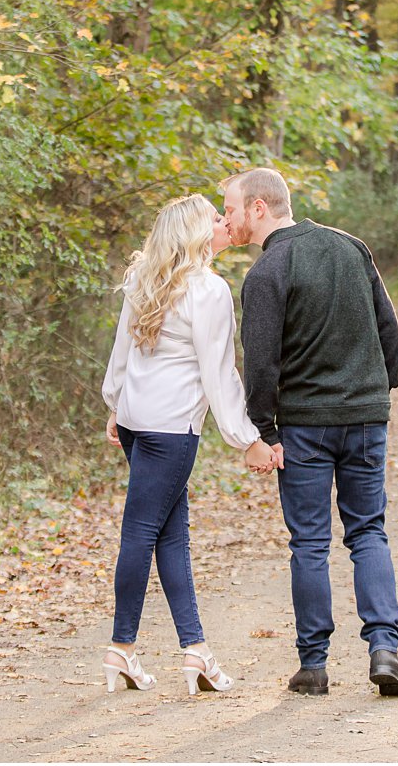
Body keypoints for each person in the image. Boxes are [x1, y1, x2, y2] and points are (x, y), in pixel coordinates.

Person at [220, 167, 398, 697]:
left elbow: (260, 364)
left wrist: (264, 428)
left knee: (309, 540)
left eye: (232, 210)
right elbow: (387, 329)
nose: (228, 221)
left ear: (260, 207)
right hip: (365, 418)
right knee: (368, 531)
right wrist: (377, 390)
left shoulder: (266, 273)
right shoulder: (351, 248)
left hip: (304, 426)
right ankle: (384, 649)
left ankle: (314, 665)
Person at [100, 194, 280, 697]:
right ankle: (123, 646)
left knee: (170, 536)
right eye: (216, 220)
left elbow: (122, 349)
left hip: (139, 423)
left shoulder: (146, 279)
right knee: (141, 533)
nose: (226, 223)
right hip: (171, 430)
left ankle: (196, 651)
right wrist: (248, 440)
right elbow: (219, 374)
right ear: (198, 234)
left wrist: (115, 403)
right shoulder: (209, 290)